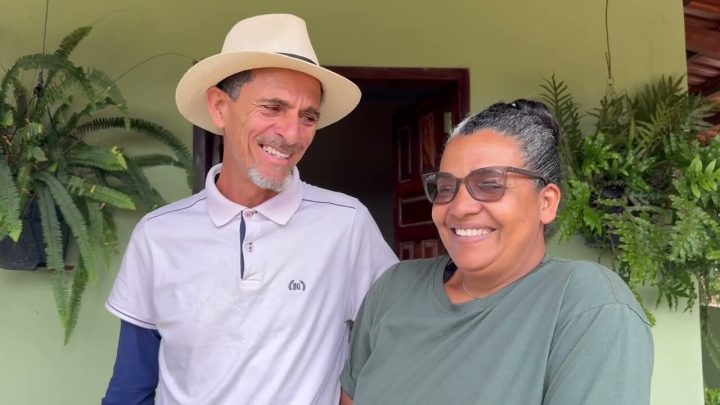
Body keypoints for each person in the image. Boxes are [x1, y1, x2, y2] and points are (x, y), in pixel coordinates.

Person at [102, 14, 398, 404]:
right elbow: (131, 386)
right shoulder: (158, 235)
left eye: (308, 117)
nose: (292, 134)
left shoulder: (346, 224)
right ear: (219, 107)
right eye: (273, 107)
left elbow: (400, 339)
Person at [340, 100, 654, 404]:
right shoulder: (394, 288)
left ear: (546, 202)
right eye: (446, 187)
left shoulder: (586, 304)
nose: (459, 207)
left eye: (490, 184)